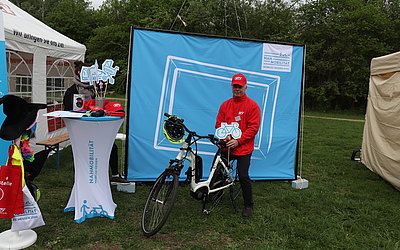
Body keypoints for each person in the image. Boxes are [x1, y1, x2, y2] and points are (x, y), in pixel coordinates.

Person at [63, 61, 128, 184]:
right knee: (89, 151)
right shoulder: (72, 91)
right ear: (79, 72)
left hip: (97, 126)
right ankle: (88, 177)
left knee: (111, 146)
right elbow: (67, 112)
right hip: (81, 128)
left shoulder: (94, 90)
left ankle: (114, 175)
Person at [215, 73, 260, 217]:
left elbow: (253, 128)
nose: (237, 89)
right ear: (232, 86)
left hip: (243, 148)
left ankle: (248, 205)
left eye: (240, 86)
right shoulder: (225, 105)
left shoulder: (252, 106)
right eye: (235, 86)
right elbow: (219, 124)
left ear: (245, 87)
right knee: (217, 171)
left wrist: (238, 141)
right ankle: (216, 195)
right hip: (226, 146)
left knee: (243, 175)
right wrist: (225, 136)